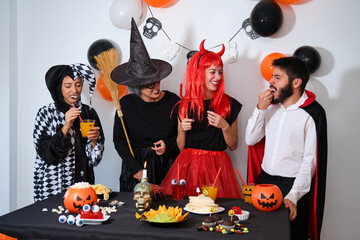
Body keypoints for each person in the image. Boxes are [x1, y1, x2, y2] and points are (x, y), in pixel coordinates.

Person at [245, 57, 327, 240]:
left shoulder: (312, 113)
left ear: (296, 82)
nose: (270, 82)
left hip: (292, 185)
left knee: (291, 235)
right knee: (259, 234)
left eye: (277, 77)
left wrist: (293, 195)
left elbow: (310, 161)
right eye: (272, 77)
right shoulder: (271, 108)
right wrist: (260, 109)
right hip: (264, 181)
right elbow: (251, 140)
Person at [161, 40, 243, 199]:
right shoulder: (184, 106)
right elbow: (180, 146)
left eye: (220, 72)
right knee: (186, 211)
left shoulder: (230, 105)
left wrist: (224, 126)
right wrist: (182, 130)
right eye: (213, 72)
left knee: (216, 212)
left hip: (217, 169)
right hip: (188, 168)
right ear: (199, 72)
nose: (218, 77)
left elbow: (233, 145)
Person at [111, 18, 180, 192]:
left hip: (168, 166)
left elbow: (183, 136)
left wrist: (169, 145)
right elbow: (119, 140)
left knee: (168, 211)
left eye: (157, 81)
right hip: (135, 166)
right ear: (136, 87)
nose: (156, 87)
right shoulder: (125, 105)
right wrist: (136, 170)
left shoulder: (174, 101)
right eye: (149, 85)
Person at [33, 63, 105, 202]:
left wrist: (95, 142)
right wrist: (66, 126)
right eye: (68, 86)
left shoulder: (88, 112)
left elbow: (95, 161)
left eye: (78, 85)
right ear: (59, 87)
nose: (75, 90)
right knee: (52, 220)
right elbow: (46, 154)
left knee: (82, 219)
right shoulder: (46, 113)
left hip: (83, 183)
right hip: (53, 185)